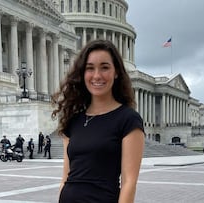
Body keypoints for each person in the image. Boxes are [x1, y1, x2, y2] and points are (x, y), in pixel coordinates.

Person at [51, 39, 144, 203]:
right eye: (90, 68)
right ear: (82, 74)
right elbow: (65, 177)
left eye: (105, 67)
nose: (97, 75)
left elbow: (129, 183)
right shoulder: (73, 119)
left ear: (116, 72)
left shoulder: (128, 119)